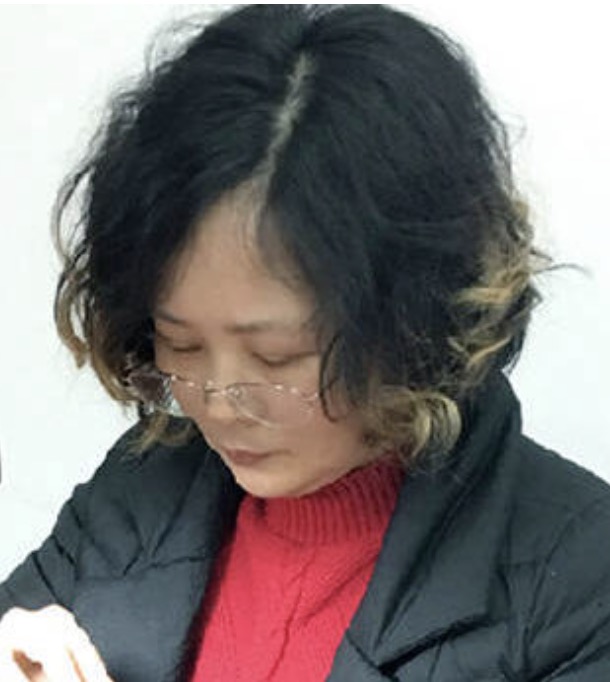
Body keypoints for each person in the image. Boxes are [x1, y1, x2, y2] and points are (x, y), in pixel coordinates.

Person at [0, 4, 609, 681]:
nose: (219, 403)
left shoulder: (581, 580)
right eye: (181, 344)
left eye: (276, 356)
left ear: (413, 323)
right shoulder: (142, 490)